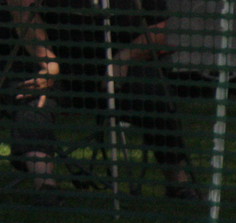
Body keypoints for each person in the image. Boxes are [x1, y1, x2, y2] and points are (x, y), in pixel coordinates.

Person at [5, 0, 197, 200]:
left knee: (153, 93)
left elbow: (158, 29)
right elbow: (21, 9)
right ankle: (45, 185)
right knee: (34, 99)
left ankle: (179, 182)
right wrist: (48, 63)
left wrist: (123, 59)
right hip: (55, 63)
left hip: (118, 66)